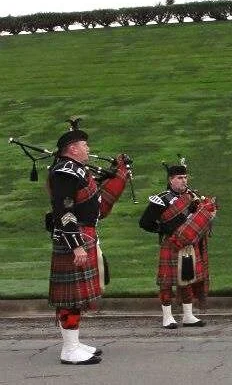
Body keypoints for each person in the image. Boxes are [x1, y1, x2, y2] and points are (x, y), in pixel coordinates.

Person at [47, 120, 128, 364]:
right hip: (73, 238)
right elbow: (64, 210)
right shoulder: (64, 172)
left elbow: (92, 201)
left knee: (77, 297)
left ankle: (75, 343)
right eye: (84, 145)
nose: (88, 148)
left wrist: (118, 173)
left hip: (85, 234)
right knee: (70, 297)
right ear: (72, 148)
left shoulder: (76, 170)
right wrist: (77, 245)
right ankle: (69, 350)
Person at [138, 157, 216, 329]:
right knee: (166, 282)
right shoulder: (161, 199)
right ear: (171, 180)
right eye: (180, 178)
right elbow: (144, 223)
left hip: (190, 244)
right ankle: (167, 317)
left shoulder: (193, 197)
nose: (184, 181)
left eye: (185, 177)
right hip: (171, 243)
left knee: (187, 279)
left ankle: (188, 316)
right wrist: (163, 229)